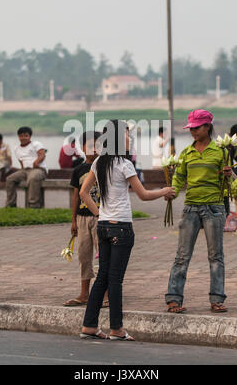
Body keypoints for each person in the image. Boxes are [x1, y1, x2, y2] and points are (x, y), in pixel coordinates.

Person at [79, 120, 175, 341]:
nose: (129, 139)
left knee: (102, 277)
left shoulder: (98, 163)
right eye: (126, 135)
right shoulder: (125, 164)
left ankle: (89, 325)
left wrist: (99, 214)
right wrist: (165, 191)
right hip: (121, 227)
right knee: (115, 280)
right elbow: (143, 195)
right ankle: (116, 328)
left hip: (103, 226)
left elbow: (84, 193)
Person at [165, 109, 232, 314]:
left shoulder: (221, 152)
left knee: (215, 256)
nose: (193, 131)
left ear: (207, 127)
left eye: (196, 128)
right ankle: (174, 298)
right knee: (182, 256)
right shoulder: (186, 153)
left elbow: (228, 183)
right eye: (191, 128)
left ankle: (217, 299)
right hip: (191, 207)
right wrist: (171, 192)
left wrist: (228, 175)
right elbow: (178, 179)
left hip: (214, 208)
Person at [64, 131, 109, 308]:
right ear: (82, 148)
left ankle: (106, 294)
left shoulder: (104, 167)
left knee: (104, 256)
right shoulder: (79, 170)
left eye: (97, 146)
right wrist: (73, 220)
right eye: (89, 146)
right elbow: (76, 196)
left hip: (100, 217)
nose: (93, 149)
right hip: (82, 219)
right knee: (84, 256)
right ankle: (84, 294)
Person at [6, 127, 47, 208]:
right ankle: (11, 204)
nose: (23, 138)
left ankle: (33, 205)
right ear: (18, 137)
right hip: (25, 170)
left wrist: (36, 162)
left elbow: (42, 155)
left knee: (32, 178)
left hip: (38, 169)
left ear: (30, 136)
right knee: (10, 179)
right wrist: (22, 172)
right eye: (21, 136)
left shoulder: (36, 144)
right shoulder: (17, 148)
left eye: (26, 136)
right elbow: (21, 162)